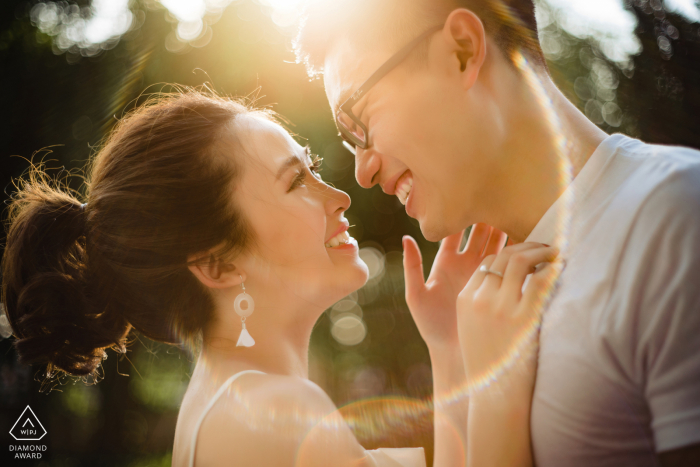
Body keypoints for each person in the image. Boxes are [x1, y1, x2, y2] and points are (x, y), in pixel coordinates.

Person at [1, 90, 555, 466]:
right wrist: (502, 378)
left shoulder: (236, 402)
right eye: (296, 183)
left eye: (313, 168)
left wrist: (448, 340)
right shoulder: (271, 418)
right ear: (217, 264)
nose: (339, 197)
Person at [296, 0, 700, 466]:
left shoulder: (673, 216)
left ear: (463, 51)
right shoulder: (483, 305)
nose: (362, 172)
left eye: (360, 119)